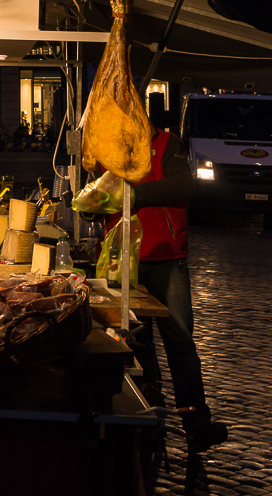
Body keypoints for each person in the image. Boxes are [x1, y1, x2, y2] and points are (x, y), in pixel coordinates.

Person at [75, 126, 228, 453]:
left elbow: (185, 185)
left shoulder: (165, 143)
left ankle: (195, 420)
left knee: (180, 339)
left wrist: (135, 195)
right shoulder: (108, 148)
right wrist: (90, 203)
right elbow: (99, 196)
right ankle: (148, 409)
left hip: (166, 254)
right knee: (134, 336)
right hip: (121, 258)